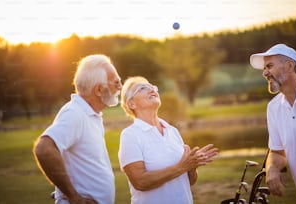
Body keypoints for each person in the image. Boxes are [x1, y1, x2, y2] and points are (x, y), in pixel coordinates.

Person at [33, 54, 122, 204]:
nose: (120, 87)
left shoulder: (90, 113)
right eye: (116, 82)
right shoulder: (75, 113)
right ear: (99, 90)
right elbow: (44, 149)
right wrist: (73, 197)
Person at [118, 76, 218, 204]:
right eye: (142, 88)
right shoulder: (130, 135)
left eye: (152, 87)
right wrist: (182, 167)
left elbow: (190, 181)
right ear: (131, 103)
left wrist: (192, 165)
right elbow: (140, 182)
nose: (151, 90)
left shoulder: (172, 131)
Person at [250, 44, 296, 203]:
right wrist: (272, 167)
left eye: (270, 66)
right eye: (264, 68)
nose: (265, 73)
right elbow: (277, 152)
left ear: (289, 66)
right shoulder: (273, 108)